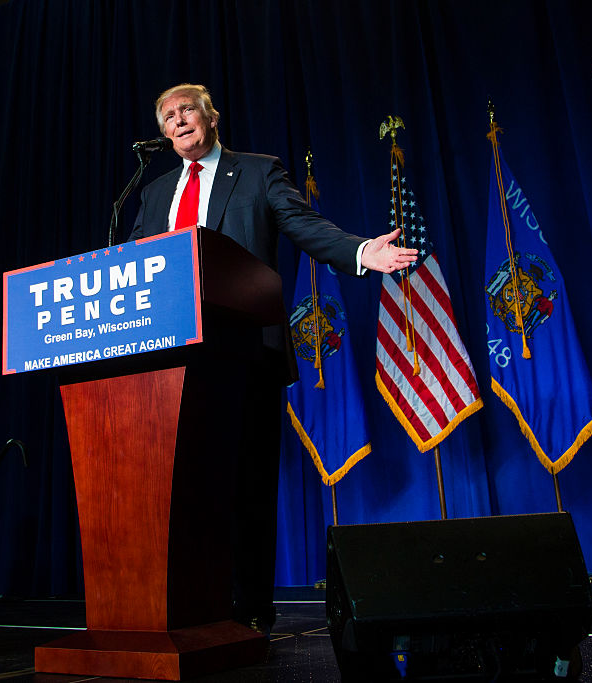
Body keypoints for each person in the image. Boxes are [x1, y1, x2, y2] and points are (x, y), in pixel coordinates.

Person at [128, 83, 416, 634]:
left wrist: (359, 250)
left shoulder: (257, 172)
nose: (178, 119)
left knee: (246, 486)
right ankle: (187, 608)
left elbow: (303, 226)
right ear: (163, 133)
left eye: (187, 109)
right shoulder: (155, 192)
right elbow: (140, 262)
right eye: (168, 115)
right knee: (180, 490)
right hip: (170, 362)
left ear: (211, 118)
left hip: (241, 353)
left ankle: (249, 611)